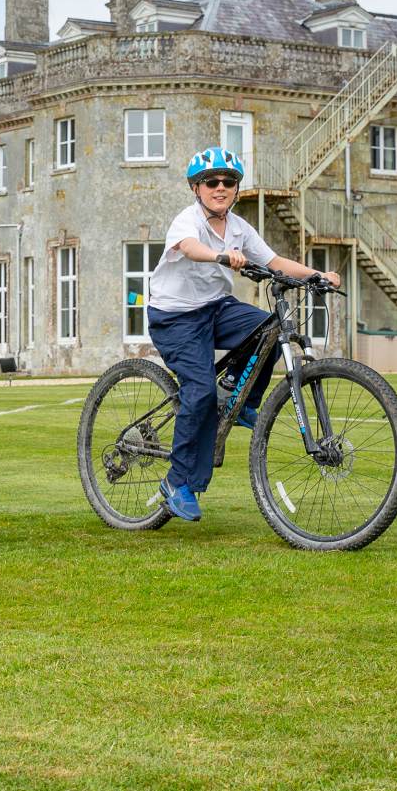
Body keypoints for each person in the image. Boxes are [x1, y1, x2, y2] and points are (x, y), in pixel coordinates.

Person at [147, 146, 340, 522]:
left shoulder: (238, 227)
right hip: (175, 316)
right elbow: (189, 247)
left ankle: (241, 401)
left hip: (214, 307)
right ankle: (176, 483)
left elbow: (274, 262)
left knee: (269, 326)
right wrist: (220, 257)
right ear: (197, 188)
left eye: (229, 182)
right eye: (211, 182)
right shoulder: (187, 221)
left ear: (236, 189)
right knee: (200, 391)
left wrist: (316, 275)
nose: (220, 187)